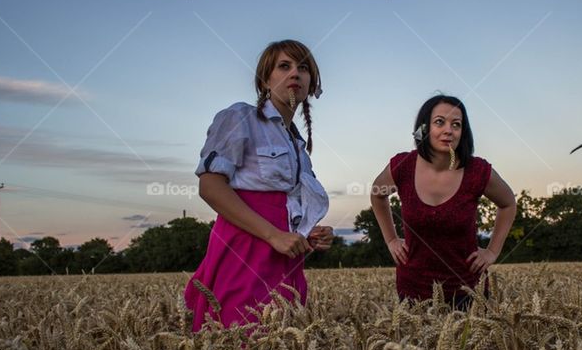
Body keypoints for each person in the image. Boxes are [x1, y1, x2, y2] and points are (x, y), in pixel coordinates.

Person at [184, 40, 334, 332]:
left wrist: (307, 235)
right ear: (266, 80)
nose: (295, 74)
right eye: (284, 66)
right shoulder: (241, 117)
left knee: (280, 344)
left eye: (303, 68)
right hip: (245, 249)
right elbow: (211, 186)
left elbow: (285, 206)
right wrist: (273, 235)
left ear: (311, 83)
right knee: (240, 338)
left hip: (285, 256)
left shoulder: (298, 145)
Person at [369, 95, 516, 310]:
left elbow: (508, 203)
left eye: (456, 124)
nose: (449, 130)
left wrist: (492, 251)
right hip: (413, 291)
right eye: (439, 122)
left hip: (467, 290)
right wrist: (391, 239)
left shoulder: (477, 171)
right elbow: (377, 194)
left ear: (463, 132)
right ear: (424, 127)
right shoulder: (403, 166)